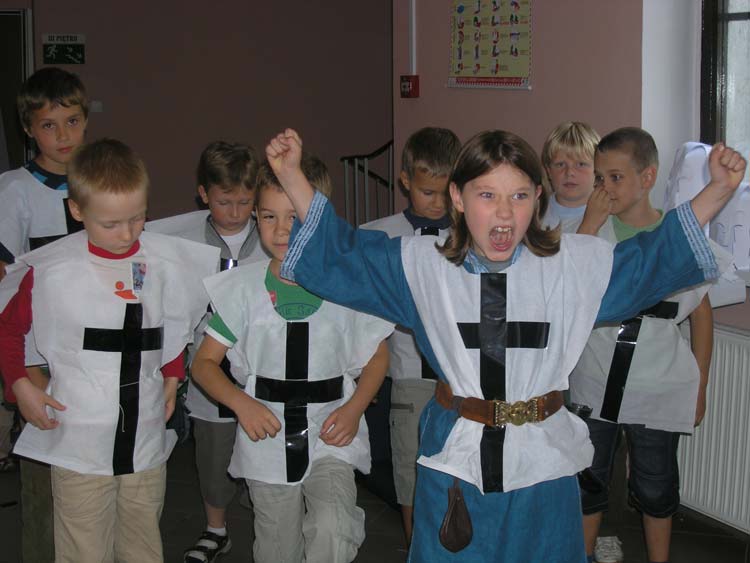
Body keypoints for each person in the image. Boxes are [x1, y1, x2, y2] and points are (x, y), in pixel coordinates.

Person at [265, 128, 745, 562]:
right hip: (459, 456)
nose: (503, 211)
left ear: (537, 198)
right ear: (457, 196)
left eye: (518, 195)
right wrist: (291, 176)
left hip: (544, 458)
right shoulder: (421, 270)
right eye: (486, 194)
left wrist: (717, 190)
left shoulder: (571, 269)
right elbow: (347, 256)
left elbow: (647, 262)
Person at [0, 138, 219, 562]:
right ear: (77, 211)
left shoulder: (164, 261)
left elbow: (170, 325)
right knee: (84, 548)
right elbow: (9, 330)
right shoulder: (51, 270)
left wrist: (173, 375)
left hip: (145, 436)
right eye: (111, 224)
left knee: (141, 542)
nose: (127, 234)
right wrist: (21, 386)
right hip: (79, 438)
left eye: (137, 218)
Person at [191, 158, 393, 563]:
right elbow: (204, 364)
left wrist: (355, 409)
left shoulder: (345, 286)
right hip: (267, 438)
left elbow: (376, 356)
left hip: (331, 433)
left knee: (333, 526)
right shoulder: (242, 291)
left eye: (295, 217)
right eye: (269, 216)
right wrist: (239, 402)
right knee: (277, 547)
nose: (282, 230)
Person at [573, 127, 726, 563]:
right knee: (588, 476)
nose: (605, 188)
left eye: (616, 177)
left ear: (648, 177)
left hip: (657, 384)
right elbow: (569, 291)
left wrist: (700, 385)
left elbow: (701, 313)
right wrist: (589, 225)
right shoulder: (589, 234)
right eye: (599, 178)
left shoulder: (677, 238)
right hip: (596, 381)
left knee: (655, 483)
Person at [147, 140, 267, 563]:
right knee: (213, 452)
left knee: (262, 444)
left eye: (244, 202)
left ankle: (267, 517)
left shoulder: (272, 233)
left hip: (260, 364)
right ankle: (216, 528)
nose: (235, 212)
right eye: (224, 202)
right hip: (207, 363)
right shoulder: (178, 239)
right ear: (203, 194)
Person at [0, 65, 89, 563]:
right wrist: (25, 371)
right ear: (29, 128)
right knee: (43, 473)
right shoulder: (14, 189)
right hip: (38, 354)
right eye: (49, 125)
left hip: (90, 351)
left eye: (73, 121)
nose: (63, 136)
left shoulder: (97, 180)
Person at [361, 126, 460, 545]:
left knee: (457, 471)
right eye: (427, 193)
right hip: (408, 374)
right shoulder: (379, 235)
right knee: (410, 472)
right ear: (405, 182)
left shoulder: (471, 234)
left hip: (462, 378)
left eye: (445, 192)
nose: (437, 204)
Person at [540, 121, 600, 233]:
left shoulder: (612, 216)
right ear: (549, 171)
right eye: (560, 164)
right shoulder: (534, 215)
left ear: (597, 170)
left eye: (581, 164)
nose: (569, 172)